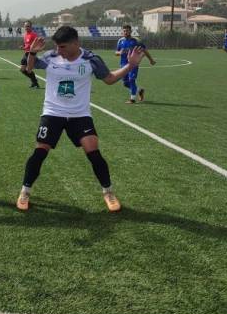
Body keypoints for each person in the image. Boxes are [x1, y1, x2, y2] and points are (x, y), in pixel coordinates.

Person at [16, 26, 144, 213]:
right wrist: (32, 53)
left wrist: (130, 65)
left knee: (93, 151)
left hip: (79, 114)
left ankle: (108, 192)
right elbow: (29, 67)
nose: (59, 50)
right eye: (57, 46)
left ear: (76, 43)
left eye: (63, 46)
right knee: (40, 151)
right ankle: (25, 191)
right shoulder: (51, 57)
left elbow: (109, 79)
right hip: (53, 112)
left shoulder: (91, 60)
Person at [115, 24, 156, 104]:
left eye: (127, 31)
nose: (125, 32)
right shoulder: (120, 41)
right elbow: (116, 52)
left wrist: (151, 60)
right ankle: (139, 90)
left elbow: (144, 50)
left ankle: (132, 99)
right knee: (125, 83)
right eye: (124, 31)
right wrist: (119, 53)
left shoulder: (136, 41)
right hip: (123, 64)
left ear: (130, 31)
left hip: (133, 64)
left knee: (131, 79)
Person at [20, 21, 41, 89]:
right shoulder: (25, 35)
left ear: (31, 27)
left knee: (28, 70)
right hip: (26, 53)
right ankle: (34, 80)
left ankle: (35, 83)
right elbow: (26, 44)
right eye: (25, 26)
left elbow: (37, 44)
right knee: (22, 70)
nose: (26, 27)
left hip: (31, 54)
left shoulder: (34, 35)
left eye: (28, 26)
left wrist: (34, 51)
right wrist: (23, 46)